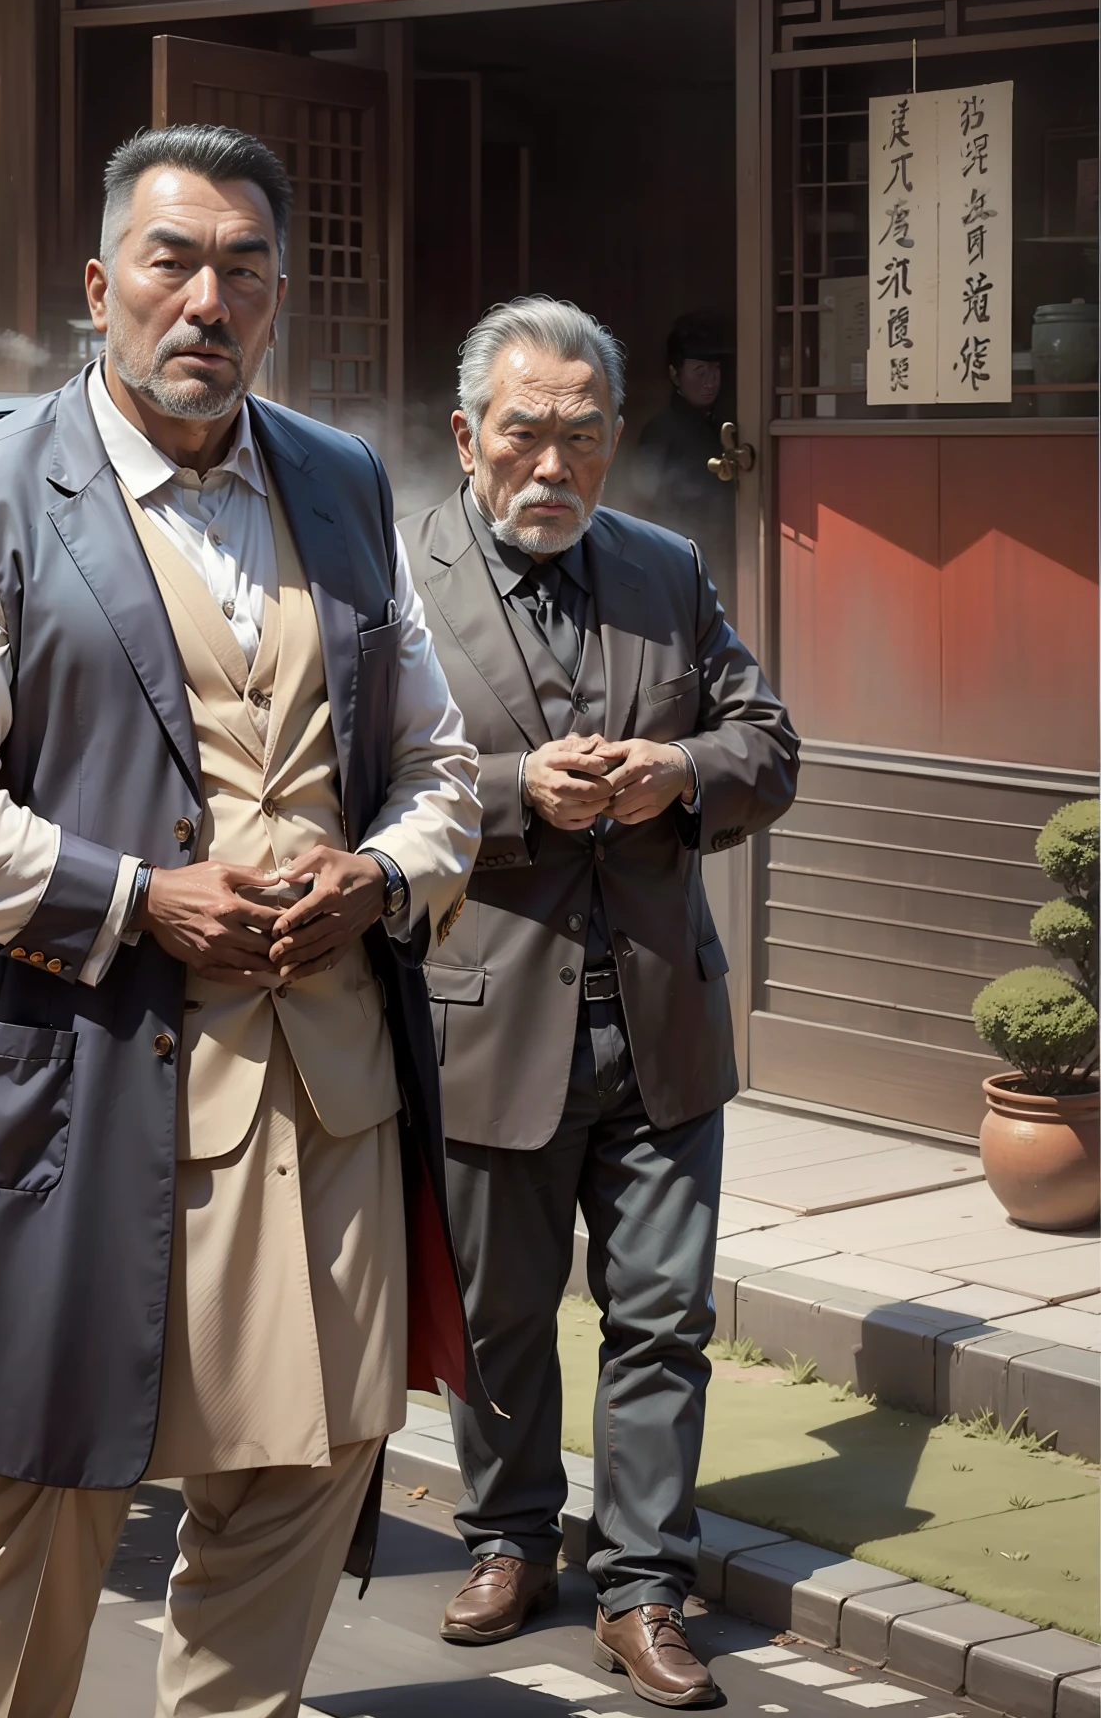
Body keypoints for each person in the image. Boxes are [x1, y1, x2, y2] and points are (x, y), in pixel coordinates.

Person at [0, 124, 483, 1718]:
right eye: (174, 261)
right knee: (43, 1489)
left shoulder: (340, 486)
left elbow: (445, 761)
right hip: (88, 1080)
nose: (209, 299)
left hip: (331, 1090)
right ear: (101, 287)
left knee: (318, 1462)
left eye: (245, 270)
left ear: (278, 298)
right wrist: (135, 896)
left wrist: (385, 874)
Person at [406, 297, 798, 1708]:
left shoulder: (669, 570)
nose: (553, 467)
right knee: (503, 1317)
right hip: (485, 1018)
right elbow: (355, 794)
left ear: (614, 438)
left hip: (659, 1022)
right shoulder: (400, 581)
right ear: (469, 436)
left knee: (661, 1320)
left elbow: (768, 742)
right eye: (525, 434)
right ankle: (510, 1539)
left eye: (582, 435)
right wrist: (518, 796)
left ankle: (642, 1585)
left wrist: (678, 772)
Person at [631, 315, 734, 584]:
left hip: (723, 545)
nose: (710, 381)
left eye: (715, 370)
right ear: (675, 374)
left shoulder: (723, 422)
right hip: (683, 550)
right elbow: (644, 498)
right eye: (699, 371)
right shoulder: (661, 430)